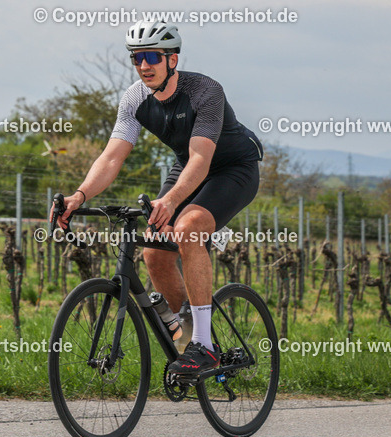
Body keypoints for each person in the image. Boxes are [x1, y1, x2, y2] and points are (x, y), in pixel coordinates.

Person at [53, 20, 263, 378]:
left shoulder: (205, 91)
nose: (144, 65)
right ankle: (188, 338)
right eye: (137, 58)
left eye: (152, 56)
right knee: (152, 248)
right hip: (187, 167)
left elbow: (201, 157)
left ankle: (206, 349)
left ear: (173, 59)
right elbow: (111, 157)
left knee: (189, 227)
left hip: (232, 168)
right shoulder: (135, 98)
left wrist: (172, 201)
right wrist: (80, 194)